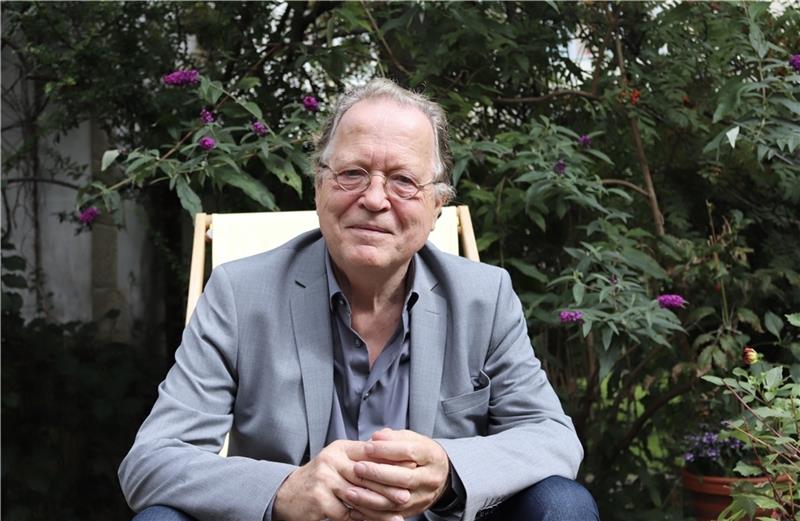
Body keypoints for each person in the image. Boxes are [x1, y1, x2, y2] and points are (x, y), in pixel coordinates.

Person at [119, 78, 598, 521]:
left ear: (437, 206)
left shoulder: (483, 298)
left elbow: (552, 437)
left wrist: (450, 468)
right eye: (352, 172)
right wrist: (283, 489)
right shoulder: (239, 295)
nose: (374, 198)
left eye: (403, 181)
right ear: (319, 186)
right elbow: (151, 462)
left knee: (562, 504)